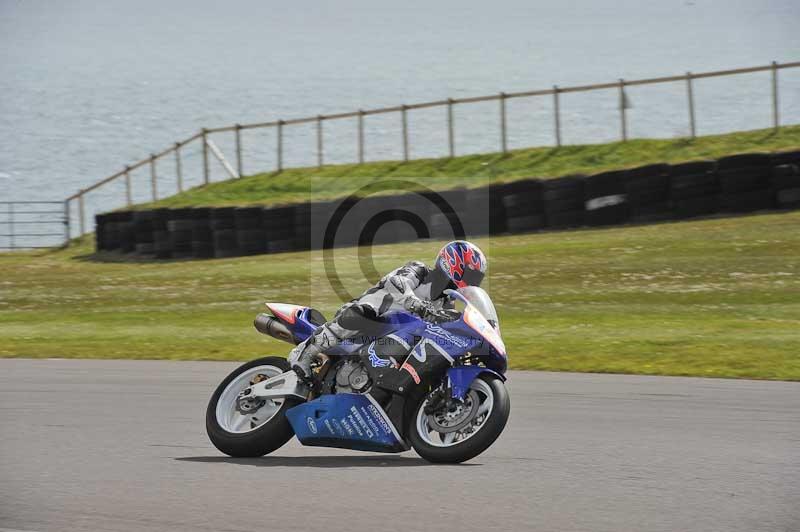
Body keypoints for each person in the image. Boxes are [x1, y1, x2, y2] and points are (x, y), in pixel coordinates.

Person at [290, 240, 488, 382]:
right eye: (470, 275)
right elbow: (398, 281)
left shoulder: (446, 303)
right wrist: (416, 303)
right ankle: (306, 352)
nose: (472, 282)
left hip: (395, 338)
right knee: (363, 313)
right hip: (370, 317)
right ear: (453, 263)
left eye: (476, 279)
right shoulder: (420, 271)